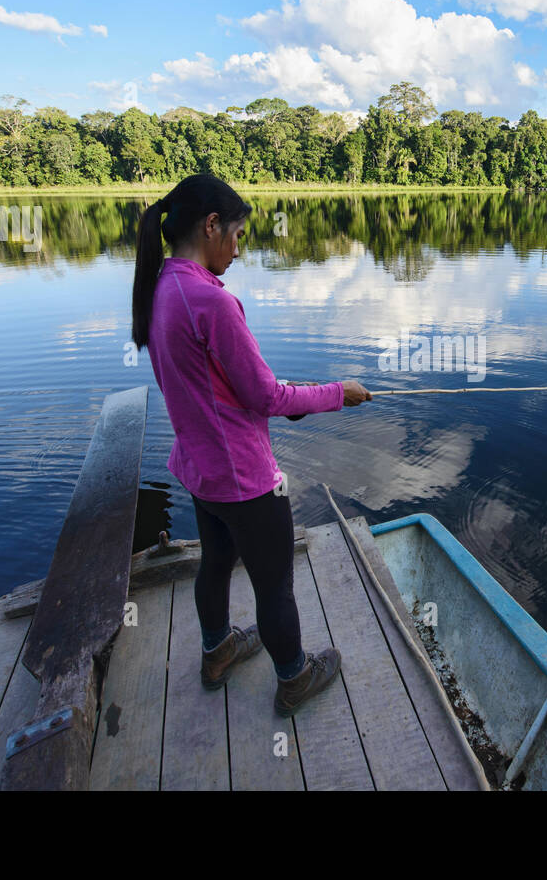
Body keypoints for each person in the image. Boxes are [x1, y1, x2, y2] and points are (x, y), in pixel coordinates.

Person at [131, 174, 372, 716]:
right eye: (236, 235)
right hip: (243, 477)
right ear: (210, 226)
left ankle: (216, 652)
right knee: (275, 585)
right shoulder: (210, 302)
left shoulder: (162, 287)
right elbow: (265, 397)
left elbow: (218, 384)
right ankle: (294, 677)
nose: (239, 249)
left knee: (215, 562)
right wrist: (340, 393)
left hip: (200, 470)